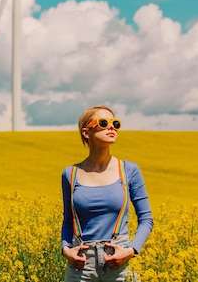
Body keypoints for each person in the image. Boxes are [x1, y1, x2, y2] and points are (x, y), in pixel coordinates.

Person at [61, 105, 153, 282]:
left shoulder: (129, 171)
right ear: (86, 133)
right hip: (81, 265)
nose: (111, 127)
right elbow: (67, 220)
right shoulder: (70, 174)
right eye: (103, 123)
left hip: (119, 263)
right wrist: (66, 250)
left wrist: (131, 250)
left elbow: (146, 218)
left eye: (115, 123)